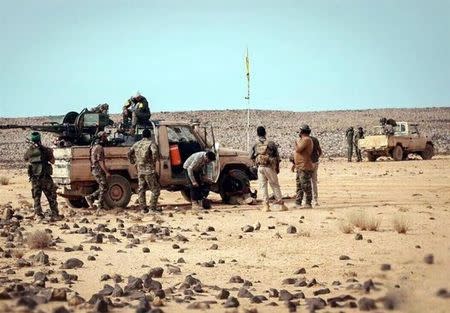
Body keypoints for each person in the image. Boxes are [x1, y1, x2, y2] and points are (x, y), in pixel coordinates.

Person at [249, 126, 288, 212]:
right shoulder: (271, 143)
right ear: (265, 133)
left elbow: (251, 156)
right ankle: (280, 204)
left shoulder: (255, 144)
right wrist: (277, 167)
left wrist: (256, 162)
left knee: (263, 186)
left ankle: (266, 206)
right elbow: (277, 157)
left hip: (260, 167)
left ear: (257, 133)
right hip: (270, 167)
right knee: (274, 185)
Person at [23, 132, 60, 219]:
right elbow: (53, 161)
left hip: (35, 178)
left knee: (36, 196)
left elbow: (26, 159)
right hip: (45, 177)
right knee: (51, 196)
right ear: (40, 139)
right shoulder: (46, 150)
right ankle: (55, 214)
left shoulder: (29, 151)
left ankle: (38, 214)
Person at [128, 128, 161, 213]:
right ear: (150, 135)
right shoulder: (151, 143)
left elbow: (129, 153)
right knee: (155, 189)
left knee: (141, 189)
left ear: (142, 135)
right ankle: (152, 208)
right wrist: (153, 163)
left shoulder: (136, 144)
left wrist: (134, 162)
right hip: (149, 170)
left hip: (140, 170)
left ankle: (143, 209)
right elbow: (155, 153)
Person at [85, 131, 110, 213]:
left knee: (103, 186)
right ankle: (99, 205)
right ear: (101, 138)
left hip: (94, 169)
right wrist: (106, 172)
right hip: (98, 169)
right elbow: (101, 161)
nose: (106, 138)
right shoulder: (99, 147)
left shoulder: (93, 147)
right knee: (104, 186)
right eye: (105, 137)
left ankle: (91, 198)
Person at [293, 125, 314, 208]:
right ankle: (298, 202)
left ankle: (308, 203)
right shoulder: (303, 140)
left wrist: (295, 143)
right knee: (299, 185)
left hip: (304, 166)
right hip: (299, 166)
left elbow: (298, 149)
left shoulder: (307, 139)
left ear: (302, 132)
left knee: (305, 185)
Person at [310, 132, 323, 206]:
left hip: (308, 163)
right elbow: (320, 151)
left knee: (306, 181)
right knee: (314, 182)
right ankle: (315, 200)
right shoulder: (315, 139)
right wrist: (316, 158)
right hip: (315, 162)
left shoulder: (304, 140)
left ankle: (307, 200)